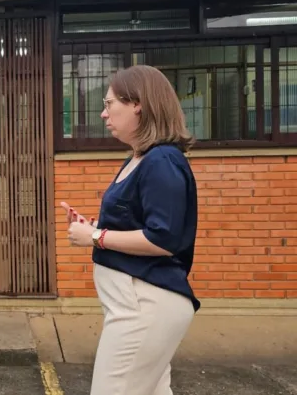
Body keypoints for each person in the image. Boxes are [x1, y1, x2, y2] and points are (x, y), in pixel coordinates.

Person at [61, 65, 199, 395]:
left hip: (144, 308)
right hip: (137, 307)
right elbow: (138, 225)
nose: (103, 113)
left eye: (109, 104)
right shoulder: (139, 158)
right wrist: (95, 227)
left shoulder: (162, 160)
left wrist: (96, 237)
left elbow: (163, 238)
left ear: (137, 103)